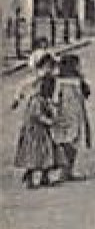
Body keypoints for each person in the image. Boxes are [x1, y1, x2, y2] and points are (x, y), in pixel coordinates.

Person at [13, 52, 58, 189]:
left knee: (47, 152)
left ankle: (44, 176)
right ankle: (30, 176)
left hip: (42, 130)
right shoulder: (35, 98)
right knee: (35, 154)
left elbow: (50, 100)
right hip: (34, 131)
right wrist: (49, 121)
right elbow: (37, 114)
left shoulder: (48, 84)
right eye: (47, 66)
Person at [51, 53, 92, 181]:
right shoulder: (74, 81)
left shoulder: (59, 81)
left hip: (65, 114)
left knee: (66, 142)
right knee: (71, 142)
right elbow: (86, 93)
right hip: (72, 114)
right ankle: (66, 171)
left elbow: (55, 100)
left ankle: (66, 171)